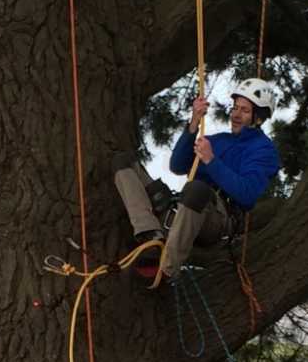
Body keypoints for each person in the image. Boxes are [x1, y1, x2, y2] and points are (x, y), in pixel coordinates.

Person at [113, 78, 281, 280]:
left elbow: (247, 194)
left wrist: (211, 160)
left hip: (217, 219)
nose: (235, 115)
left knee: (197, 189)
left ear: (259, 118)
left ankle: (167, 267)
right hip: (185, 207)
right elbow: (178, 166)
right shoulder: (218, 140)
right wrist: (193, 123)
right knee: (124, 163)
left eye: (244, 111)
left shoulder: (263, 150)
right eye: (235, 108)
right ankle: (150, 236)